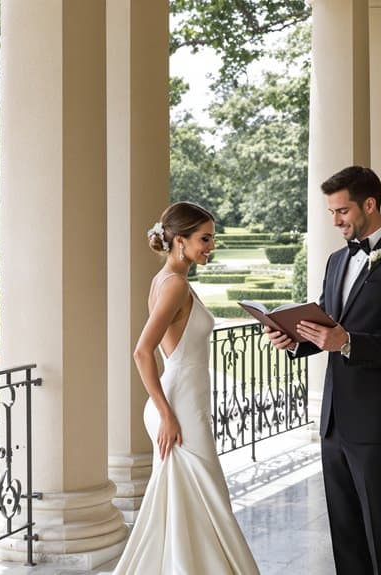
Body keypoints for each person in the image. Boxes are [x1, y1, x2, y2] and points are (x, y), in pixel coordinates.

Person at [265, 166, 381, 574]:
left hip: (379, 423)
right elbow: (328, 324)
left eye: (342, 211)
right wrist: (295, 341)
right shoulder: (336, 260)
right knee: (346, 533)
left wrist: (349, 343)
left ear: (370, 204)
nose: (335, 220)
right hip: (335, 423)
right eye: (331, 212)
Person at [112, 201, 259, 575]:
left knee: (191, 502)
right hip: (179, 409)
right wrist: (166, 414)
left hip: (183, 402)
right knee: (209, 499)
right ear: (180, 240)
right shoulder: (175, 285)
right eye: (204, 238)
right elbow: (142, 351)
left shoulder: (167, 280)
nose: (211, 246)